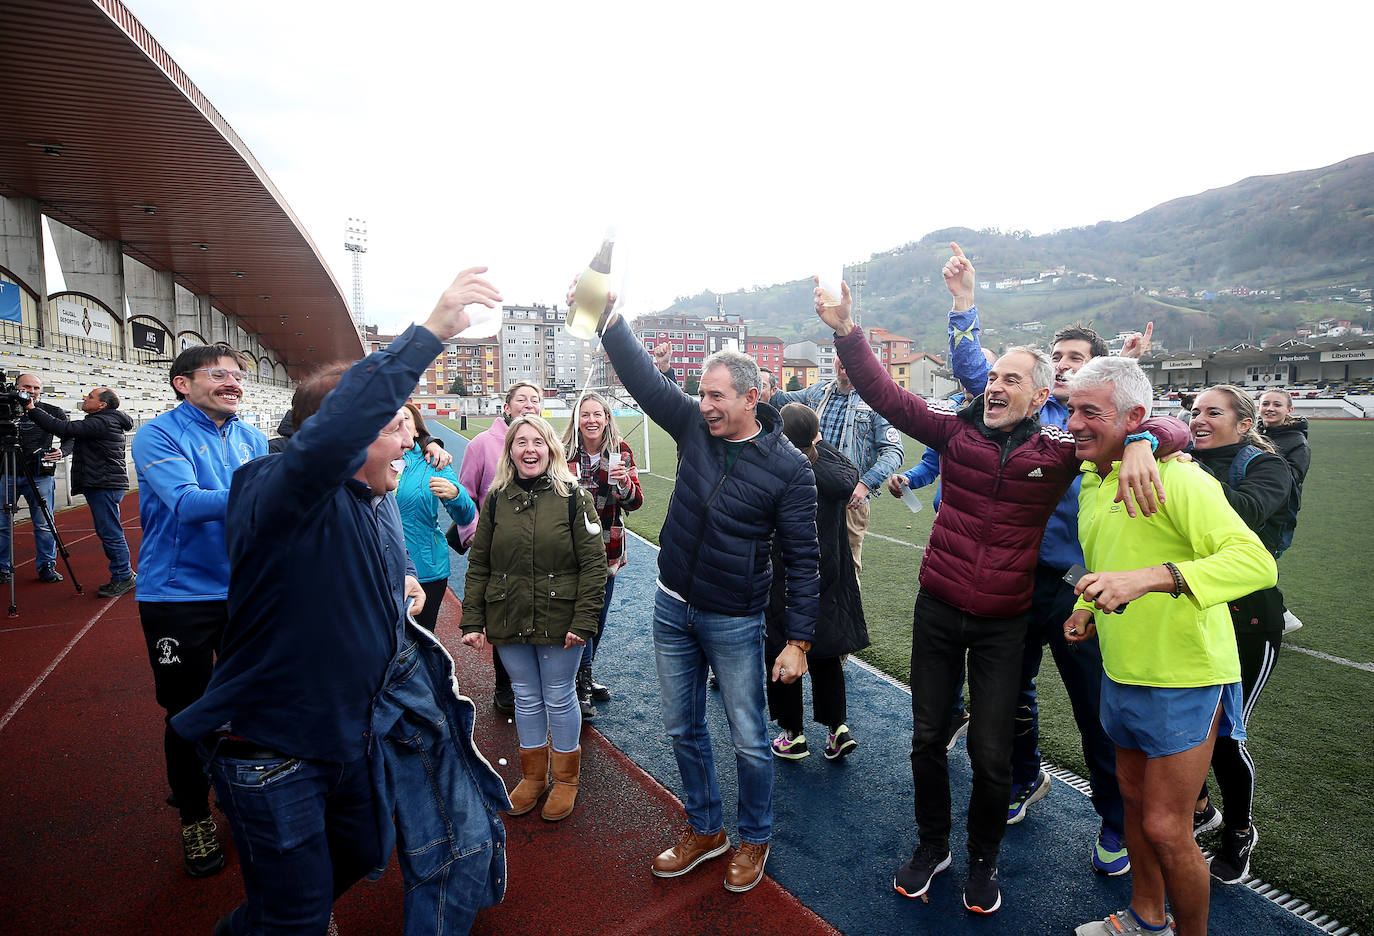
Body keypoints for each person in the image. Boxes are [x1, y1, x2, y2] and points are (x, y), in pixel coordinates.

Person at [812, 272, 1185, 915]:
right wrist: (846, 330)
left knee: (991, 752)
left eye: (1012, 379)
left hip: (1003, 623)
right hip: (937, 611)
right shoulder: (955, 435)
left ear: (1043, 395)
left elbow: (1166, 430)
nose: (995, 385)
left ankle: (984, 859)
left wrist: (1146, 441)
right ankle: (934, 846)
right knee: (928, 739)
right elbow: (882, 392)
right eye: (993, 377)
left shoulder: (1061, 451)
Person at [172, 267, 510, 935]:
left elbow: (383, 556)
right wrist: (434, 331)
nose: (410, 439)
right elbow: (328, 444)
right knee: (297, 917)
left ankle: (273, 916)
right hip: (271, 748)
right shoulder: (278, 490)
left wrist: (404, 579)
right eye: (393, 424)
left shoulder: (374, 494)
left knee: (364, 853)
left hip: (348, 737)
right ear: (341, 436)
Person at [590, 284, 819, 895]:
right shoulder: (693, 424)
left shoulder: (789, 468)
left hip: (736, 618)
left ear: (752, 398)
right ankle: (705, 828)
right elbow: (644, 380)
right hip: (672, 603)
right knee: (681, 728)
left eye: (717, 396)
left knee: (749, 737)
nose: (704, 404)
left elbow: (804, 559)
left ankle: (754, 838)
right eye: (702, 393)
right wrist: (611, 320)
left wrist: (797, 640)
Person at [943, 241, 1150, 875]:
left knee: (1094, 708)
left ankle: (1115, 821)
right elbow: (978, 375)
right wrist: (964, 306)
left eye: (1076, 360)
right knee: (1010, 696)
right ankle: (1026, 777)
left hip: (1077, 588)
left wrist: (1138, 435)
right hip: (1018, 579)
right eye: (1056, 359)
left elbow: (1151, 424)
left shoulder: (1095, 426)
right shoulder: (1029, 417)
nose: (1062, 368)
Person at [1064, 358, 1277, 936]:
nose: (1074, 423)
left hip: (1184, 677)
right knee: (1134, 811)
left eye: (1091, 413)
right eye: (1072, 409)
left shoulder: (1180, 477)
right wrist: (1087, 607)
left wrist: (1150, 578)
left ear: (1134, 419)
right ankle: (1144, 917)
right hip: (1122, 669)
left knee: (1166, 827)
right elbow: (1113, 558)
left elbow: (1254, 562)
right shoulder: (1091, 479)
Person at [131, 345, 268, 877]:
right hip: (179, 597)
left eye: (237, 376)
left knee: (253, 702)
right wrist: (270, 490)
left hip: (246, 594)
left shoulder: (253, 438)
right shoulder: (158, 434)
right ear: (181, 383)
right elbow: (187, 504)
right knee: (189, 712)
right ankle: (194, 815)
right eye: (219, 375)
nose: (233, 382)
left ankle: (247, 797)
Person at [461, 415, 606, 821]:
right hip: (508, 614)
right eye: (521, 442)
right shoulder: (496, 499)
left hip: (559, 617)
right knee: (524, 697)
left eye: (537, 442)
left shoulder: (574, 497)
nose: (529, 450)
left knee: (559, 695)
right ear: (509, 451)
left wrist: (583, 621)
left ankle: (566, 781)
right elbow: (479, 562)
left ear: (551, 448)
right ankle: (533, 777)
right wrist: (472, 619)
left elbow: (593, 566)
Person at [1184, 385, 1293, 884]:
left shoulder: (1266, 467)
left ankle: (1240, 831)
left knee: (1226, 734)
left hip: (1249, 620)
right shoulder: (1182, 459)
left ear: (1244, 423)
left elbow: (1244, 516)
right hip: (1191, 614)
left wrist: (1185, 471)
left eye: (1213, 412)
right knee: (1183, 729)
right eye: (1193, 412)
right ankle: (1202, 809)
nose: (1198, 419)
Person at [766, 403, 869, 762]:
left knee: (782, 653)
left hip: (787, 579)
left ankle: (792, 734)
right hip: (828, 577)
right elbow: (848, 470)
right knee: (825, 654)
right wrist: (817, 441)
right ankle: (837, 728)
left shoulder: (779, 470)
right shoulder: (830, 472)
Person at [770, 350, 903, 578]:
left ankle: (846, 615)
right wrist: (761, 382)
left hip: (848, 501)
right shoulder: (815, 393)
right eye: (842, 355)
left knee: (845, 573)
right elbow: (779, 400)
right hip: (809, 493)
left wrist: (865, 484)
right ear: (835, 361)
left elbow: (894, 451)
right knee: (799, 564)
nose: (847, 360)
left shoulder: (876, 401)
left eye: (854, 356)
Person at [458, 381, 545, 715]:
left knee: (534, 607)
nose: (528, 404)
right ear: (507, 407)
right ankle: (505, 686)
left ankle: (533, 681)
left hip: (537, 547)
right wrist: (475, 535)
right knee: (504, 613)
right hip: (496, 546)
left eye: (535, 400)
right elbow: (464, 494)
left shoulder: (547, 443)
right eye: (521, 399)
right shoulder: (482, 444)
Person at [560, 390, 644, 718]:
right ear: (577, 420)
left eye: (598, 414)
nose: (592, 420)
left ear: (607, 419)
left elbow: (635, 503)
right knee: (581, 617)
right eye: (586, 414)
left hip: (608, 549)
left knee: (597, 620)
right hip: (571, 551)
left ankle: (583, 675)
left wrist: (624, 485)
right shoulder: (564, 451)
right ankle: (581, 684)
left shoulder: (620, 451)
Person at [26, 387, 135, 596]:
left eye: (91, 397)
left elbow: (62, 428)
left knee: (110, 533)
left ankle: (123, 575)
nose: (85, 398)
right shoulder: (106, 420)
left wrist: (31, 408)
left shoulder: (101, 422)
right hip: (104, 482)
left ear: (102, 405)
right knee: (110, 532)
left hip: (103, 483)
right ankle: (123, 572)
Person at [396, 402, 476, 633]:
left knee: (420, 637)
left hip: (426, 568)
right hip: (378, 565)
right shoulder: (372, 460)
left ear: (417, 430)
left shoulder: (433, 461)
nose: (399, 423)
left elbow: (466, 515)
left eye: (405, 419)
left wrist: (456, 494)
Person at [0, 373, 71, 584]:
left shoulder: (51, 411)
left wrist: (63, 451)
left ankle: (47, 566)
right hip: (6, 473)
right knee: (2, 525)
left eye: (35, 388)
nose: (31, 391)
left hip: (40, 475)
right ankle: (2, 567)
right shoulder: (3, 409)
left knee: (44, 523)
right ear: (16, 386)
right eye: (26, 387)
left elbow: (70, 435)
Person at [1258, 388, 1311, 633]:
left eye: (1277, 404)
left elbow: (1292, 478)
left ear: (1289, 410)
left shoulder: (1297, 441)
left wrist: (1262, 461)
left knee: (1258, 566)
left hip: (1277, 516)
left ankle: (1282, 616)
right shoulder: (1255, 432)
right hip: (1256, 508)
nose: (1270, 408)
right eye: (1265, 403)